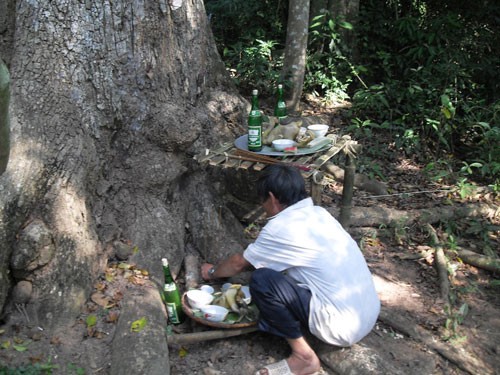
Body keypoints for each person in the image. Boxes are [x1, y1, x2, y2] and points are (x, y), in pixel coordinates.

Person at [201, 164, 380, 375]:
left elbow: (239, 263)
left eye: (262, 200)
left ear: (272, 198)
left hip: (339, 325)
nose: (263, 205)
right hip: (368, 313)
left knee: (262, 280)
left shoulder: (279, 228)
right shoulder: (319, 213)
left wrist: (211, 273)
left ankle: (303, 357)